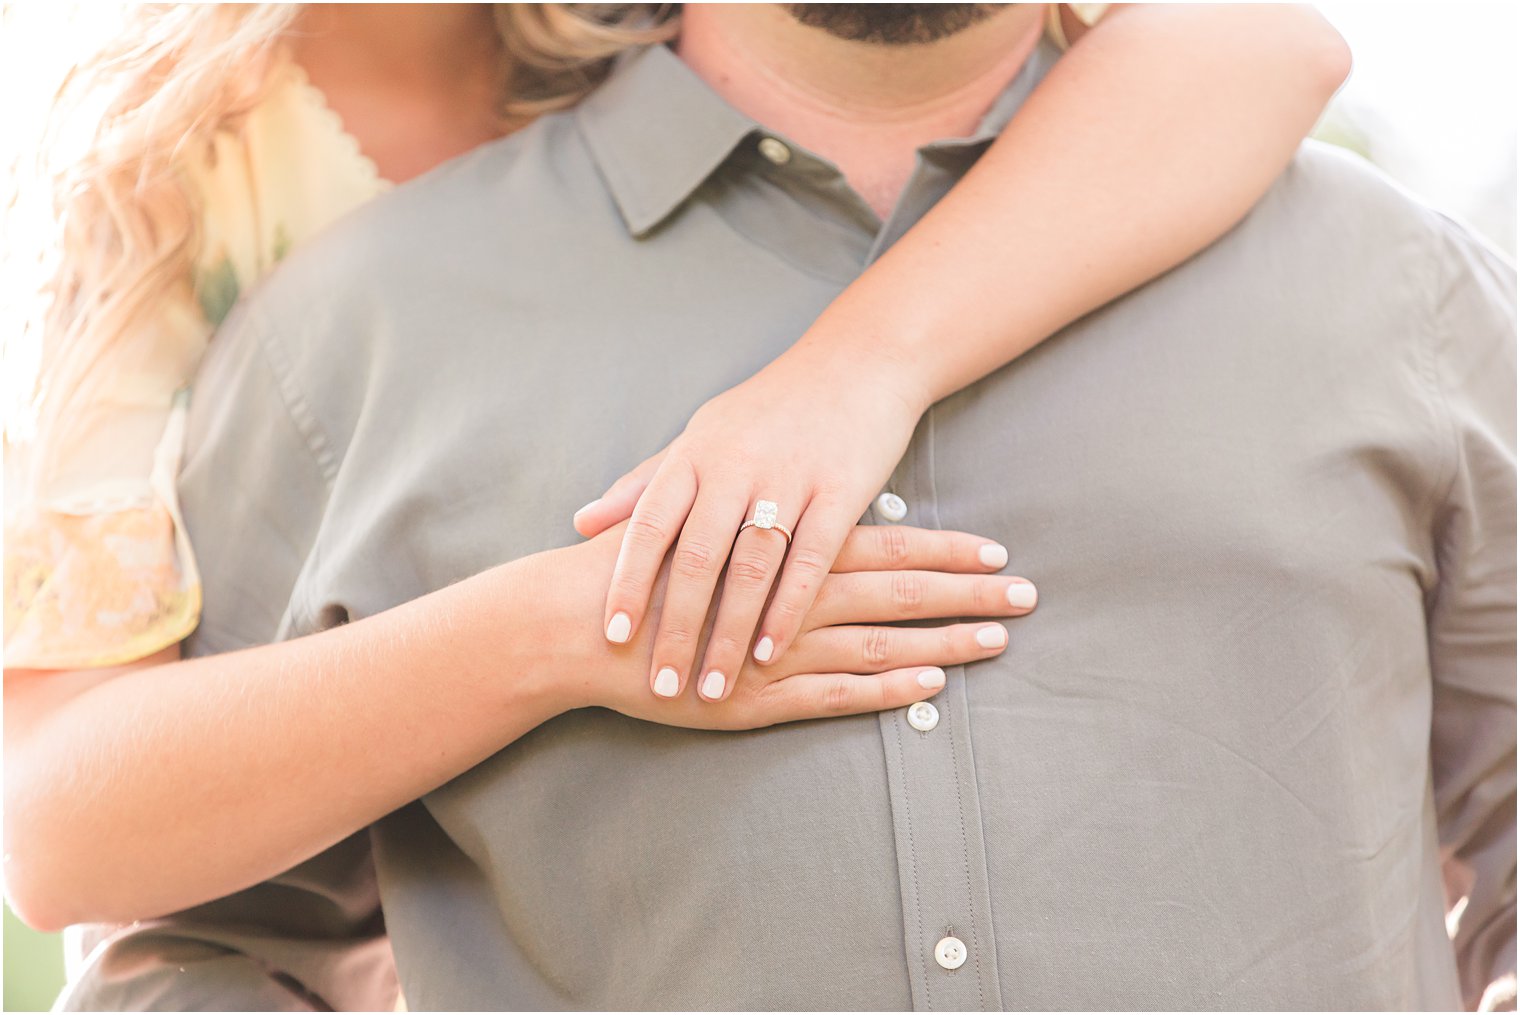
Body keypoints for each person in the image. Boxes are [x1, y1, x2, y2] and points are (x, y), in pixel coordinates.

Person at [27, 1, 1514, 1010]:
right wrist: (582, 619)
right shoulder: (299, 307)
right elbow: (155, 905)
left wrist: (851, 372)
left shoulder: (1379, 274)